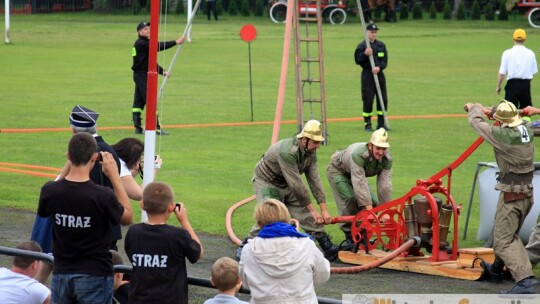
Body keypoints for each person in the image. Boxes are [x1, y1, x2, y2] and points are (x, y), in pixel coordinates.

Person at [30, 105, 124, 284]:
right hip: (103, 227)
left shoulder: (89, 153)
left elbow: (83, 192)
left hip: (87, 236)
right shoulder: (109, 151)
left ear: (73, 129)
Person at [37, 132, 133, 303]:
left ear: (68, 156)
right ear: (95, 158)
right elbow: (127, 217)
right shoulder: (102, 195)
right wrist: (114, 177)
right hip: (94, 273)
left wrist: (69, 164)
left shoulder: (50, 191)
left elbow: (45, 208)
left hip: (62, 272)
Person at [238, 120, 339, 262]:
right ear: (304, 140)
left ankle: (325, 243)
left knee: (303, 211)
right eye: (315, 143)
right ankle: (246, 244)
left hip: (286, 182)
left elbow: (314, 180)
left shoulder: (310, 153)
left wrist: (323, 209)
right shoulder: (288, 151)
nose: (318, 147)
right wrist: (313, 210)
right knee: (271, 214)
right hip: (267, 181)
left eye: (318, 143)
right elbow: (297, 184)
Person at [465, 100, 535, 294]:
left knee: (503, 241)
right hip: (526, 194)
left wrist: (475, 109)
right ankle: (496, 269)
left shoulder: (502, 135)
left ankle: (525, 281)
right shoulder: (526, 130)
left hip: (512, 195)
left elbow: (477, 123)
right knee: (506, 232)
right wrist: (493, 111)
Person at [124, 181, 203, 304]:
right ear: (171, 207)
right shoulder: (178, 235)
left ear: (142, 205)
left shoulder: (133, 232)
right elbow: (198, 253)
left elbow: (131, 255)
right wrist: (184, 221)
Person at [239, 199, 330, 303]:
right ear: (287, 219)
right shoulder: (307, 244)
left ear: (259, 223)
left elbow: (245, 281)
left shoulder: (249, 249)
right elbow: (323, 274)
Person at [326, 128, 392, 250]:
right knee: (350, 199)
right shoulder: (359, 155)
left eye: (384, 149)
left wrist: (385, 211)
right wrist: (369, 212)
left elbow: (385, 185)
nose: (381, 152)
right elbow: (359, 183)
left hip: (357, 174)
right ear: (370, 145)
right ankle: (350, 236)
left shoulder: (387, 159)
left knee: (375, 204)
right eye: (378, 148)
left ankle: (363, 234)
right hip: (339, 171)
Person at [132, 21, 185, 135]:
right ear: (140, 31)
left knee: (139, 101)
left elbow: (149, 63)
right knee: (150, 100)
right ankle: (156, 127)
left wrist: (162, 71)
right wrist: (175, 42)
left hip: (142, 73)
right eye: (145, 29)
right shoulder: (142, 43)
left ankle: (137, 127)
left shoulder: (144, 43)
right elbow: (157, 46)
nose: (148, 30)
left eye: (148, 28)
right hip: (142, 74)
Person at [354, 23, 389, 132]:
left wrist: (379, 67)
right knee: (368, 99)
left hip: (379, 74)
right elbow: (357, 60)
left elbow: (385, 60)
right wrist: (365, 54)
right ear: (367, 33)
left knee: (382, 99)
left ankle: (381, 123)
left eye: (375, 32)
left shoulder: (381, 45)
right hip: (367, 75)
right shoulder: (362, 46)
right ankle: (367, 124)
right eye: (371, 32)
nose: (374, 34)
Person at [496, 28, 537, 117]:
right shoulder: (530, 53)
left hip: (512, 85)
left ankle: (512, 128)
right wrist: (527, 83)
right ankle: (525, 129)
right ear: (525, 39)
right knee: (526, 111)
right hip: (525, 84)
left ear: (513, 39)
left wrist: (498, 86)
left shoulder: (507, 53)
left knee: (510, 111)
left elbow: (502, 73)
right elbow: (533, 72)